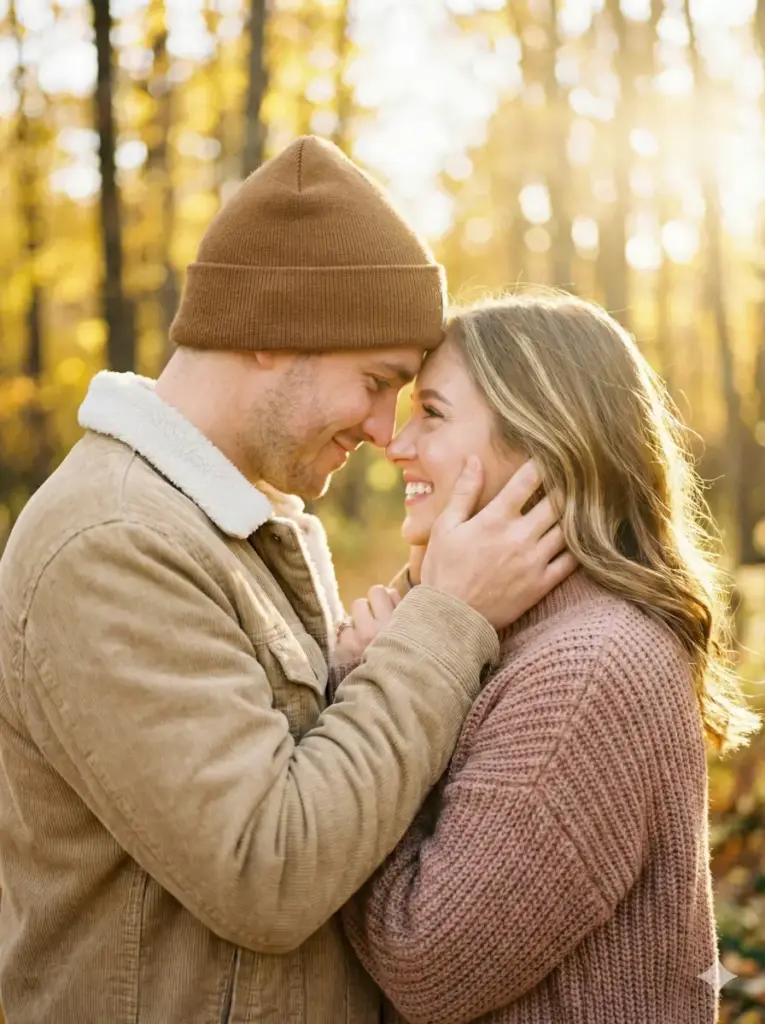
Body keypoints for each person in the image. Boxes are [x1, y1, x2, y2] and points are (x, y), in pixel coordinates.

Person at [0, 138, 574, 1024]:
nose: (383, 430)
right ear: (271, 331)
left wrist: (363, 667)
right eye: (375, 382)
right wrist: (446, 621)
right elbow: (266, 872)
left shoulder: (229, 524)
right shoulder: (113, 543)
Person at [340, 293, 761, 1024]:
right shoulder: (508, 635)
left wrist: (364, 688)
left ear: (543, 441)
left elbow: (425, 964)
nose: (396, 444)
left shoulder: (590, 669)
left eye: (432, 413)